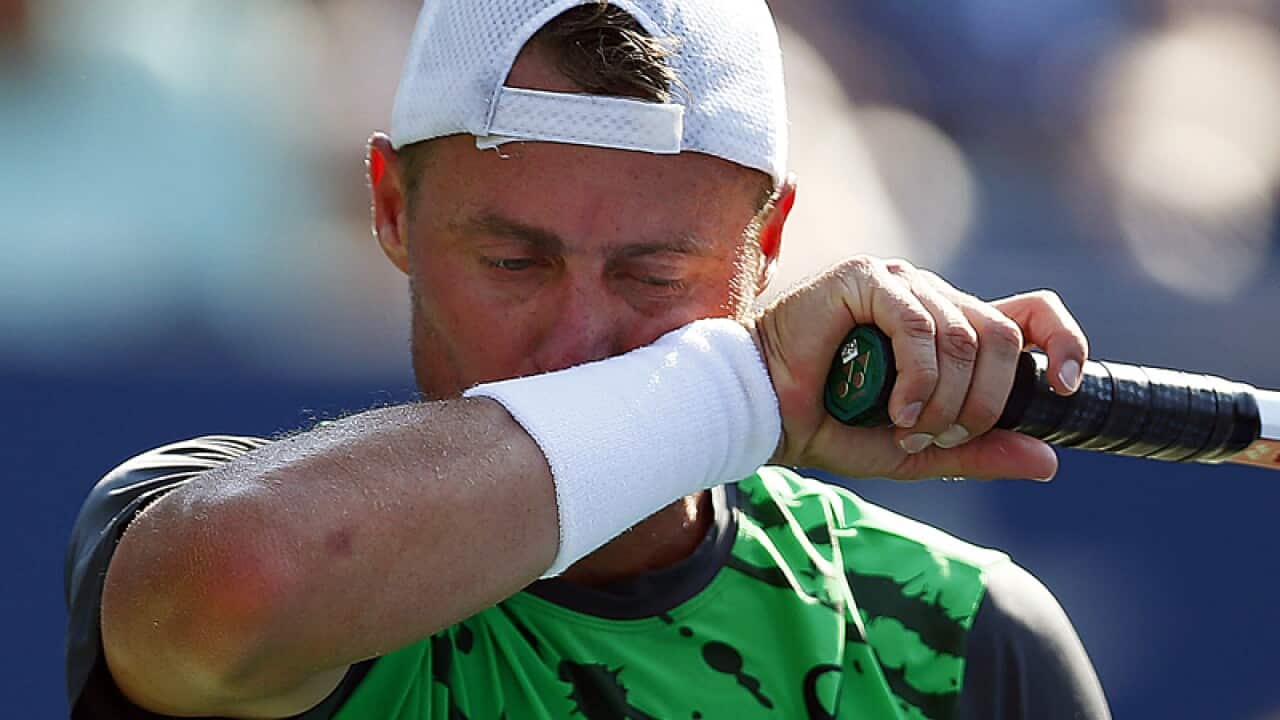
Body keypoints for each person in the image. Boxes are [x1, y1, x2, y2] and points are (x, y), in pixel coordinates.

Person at [64, 1, 1112, 718]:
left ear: (771, 240)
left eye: (653, 274)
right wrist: (735, 388)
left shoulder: (967, 634)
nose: (577, 343)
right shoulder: (197, 519)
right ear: (390, 208)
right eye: (514, 261)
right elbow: (236, 590)